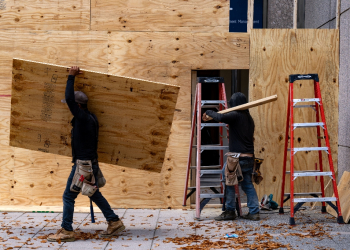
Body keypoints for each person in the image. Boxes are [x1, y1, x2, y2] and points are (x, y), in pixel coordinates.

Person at [48, 66, 125, 242]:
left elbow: (69, 99)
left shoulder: (82, 118)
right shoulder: (91, 118)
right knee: (93, 193)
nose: (69, 107)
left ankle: (67, 230)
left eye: (73, 106)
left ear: (79, 106)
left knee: (68, 196)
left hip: (83, 165)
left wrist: (71, 76)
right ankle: (114, 221)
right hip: (89, 163)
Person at [202, 92, 260, 221]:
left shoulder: (237, 115)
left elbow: (220, 117)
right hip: (249, 158)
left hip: (237, 158)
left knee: (228, 181)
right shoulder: (248, 118)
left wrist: (209, 112)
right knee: (247, 185)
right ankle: (254, 212)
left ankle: (229, 211)